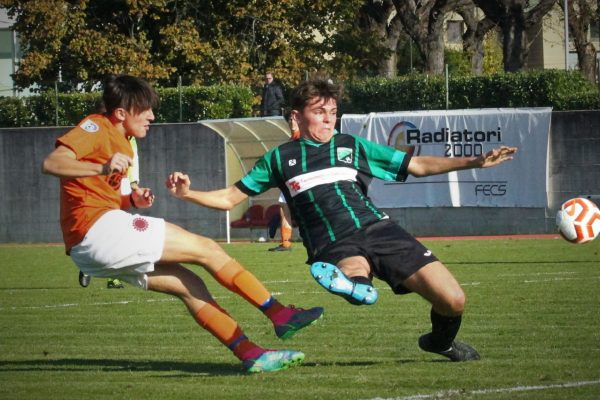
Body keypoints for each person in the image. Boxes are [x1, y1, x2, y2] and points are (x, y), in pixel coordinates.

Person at [166, 79, 518, 363]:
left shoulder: (351, 145)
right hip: (332, 241)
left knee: (453, 300)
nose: (328, 119)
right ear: (296, 117)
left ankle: (439, 343)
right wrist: (188, 195)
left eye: (333, 112)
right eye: (320, 112)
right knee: (354, 274)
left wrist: (473, 162)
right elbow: (230, 197)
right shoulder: (279, 159)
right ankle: (353, 284)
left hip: (380, 229)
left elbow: (415, 165)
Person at [42, 74, 323, 373]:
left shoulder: (123, 142)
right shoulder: (96, 126)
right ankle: (279, 314)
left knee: (190, 285)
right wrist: (102, 166)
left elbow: (103, 193)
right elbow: (52, 163)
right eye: (145, 109)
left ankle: (252, 354)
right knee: (207, 249)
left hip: (90, 247)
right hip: (98, 231)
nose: (152, 115)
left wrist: (134, 200)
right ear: (121, 113)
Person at [78, 135, 138, 289]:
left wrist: (133, 182)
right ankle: (89, 265)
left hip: (123, 181)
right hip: (103, 181)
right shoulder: (101, 131)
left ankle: (112, 277)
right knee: (101, 227)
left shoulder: (130, 135)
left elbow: (134, 158)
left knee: (119, 231)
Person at [268, 116, 300, 252]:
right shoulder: (291, 140)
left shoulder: (302, 137)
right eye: (290, 120)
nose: (292, 122)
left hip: (302, 180)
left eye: (295, 119)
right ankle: (285, 243)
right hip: (291, 181)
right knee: (283, 206)